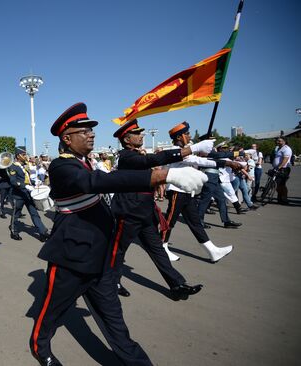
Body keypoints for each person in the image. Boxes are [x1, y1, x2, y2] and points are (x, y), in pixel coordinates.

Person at [29, 103, 207, 366]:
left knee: (113, 316)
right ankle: (39, 346)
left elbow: (119, 176)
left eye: (91, 130)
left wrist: (174, 164)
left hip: (102, 255)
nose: (91, 134)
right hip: (72, 256)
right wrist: (161, 176)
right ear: (67, 138)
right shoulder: (60, 166)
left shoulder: (85, 163)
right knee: (52, 309)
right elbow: (94, 184)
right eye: (84, 131)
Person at [110, 119, 209, 297]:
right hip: (129, 212)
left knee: (157, 249)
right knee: (118, 250)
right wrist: (192, 148)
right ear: (126, 139)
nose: (141, 136)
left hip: (145, 212)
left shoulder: (135, 154)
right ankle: (111, 283)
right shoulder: (126, 156)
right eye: (137, 134)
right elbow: (155, 159)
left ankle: (177, 285)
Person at [160, 122, 235, 263]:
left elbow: (200, 159)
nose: (189, 136)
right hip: (177, 191)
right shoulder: (174, 150)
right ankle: (162, 247)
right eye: (186, 134)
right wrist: (226, 163)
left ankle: (212, 251)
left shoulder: (184, 150)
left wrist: (226, 161)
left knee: (195, 223)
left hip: (187, 192)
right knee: (170, 221)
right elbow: (198, 160)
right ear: (179, 137)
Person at [8, 147, 50, 242]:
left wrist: (35, 183)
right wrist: (25, 186)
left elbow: (28, 178)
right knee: (16, 214)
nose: (25, 156)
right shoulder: (13, 166)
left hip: (27, 193)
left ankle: (42, 232)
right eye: (23, 155)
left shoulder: (25, 165)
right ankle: (14, 231)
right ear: (18, 156)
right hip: (18, 195)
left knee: (34, 213)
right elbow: (13, 181)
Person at [272, 137, 293, 205]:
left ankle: (284, 198)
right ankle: (280, 198)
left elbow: (285, 159)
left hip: (283, 169)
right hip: (278, 168)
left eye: (279, 141)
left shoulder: (286, 149)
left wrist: (279, 167)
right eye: (277, 141)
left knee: (282, 184)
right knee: (277, 184)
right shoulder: (279, 148)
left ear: (284, 141)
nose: (277, 142)